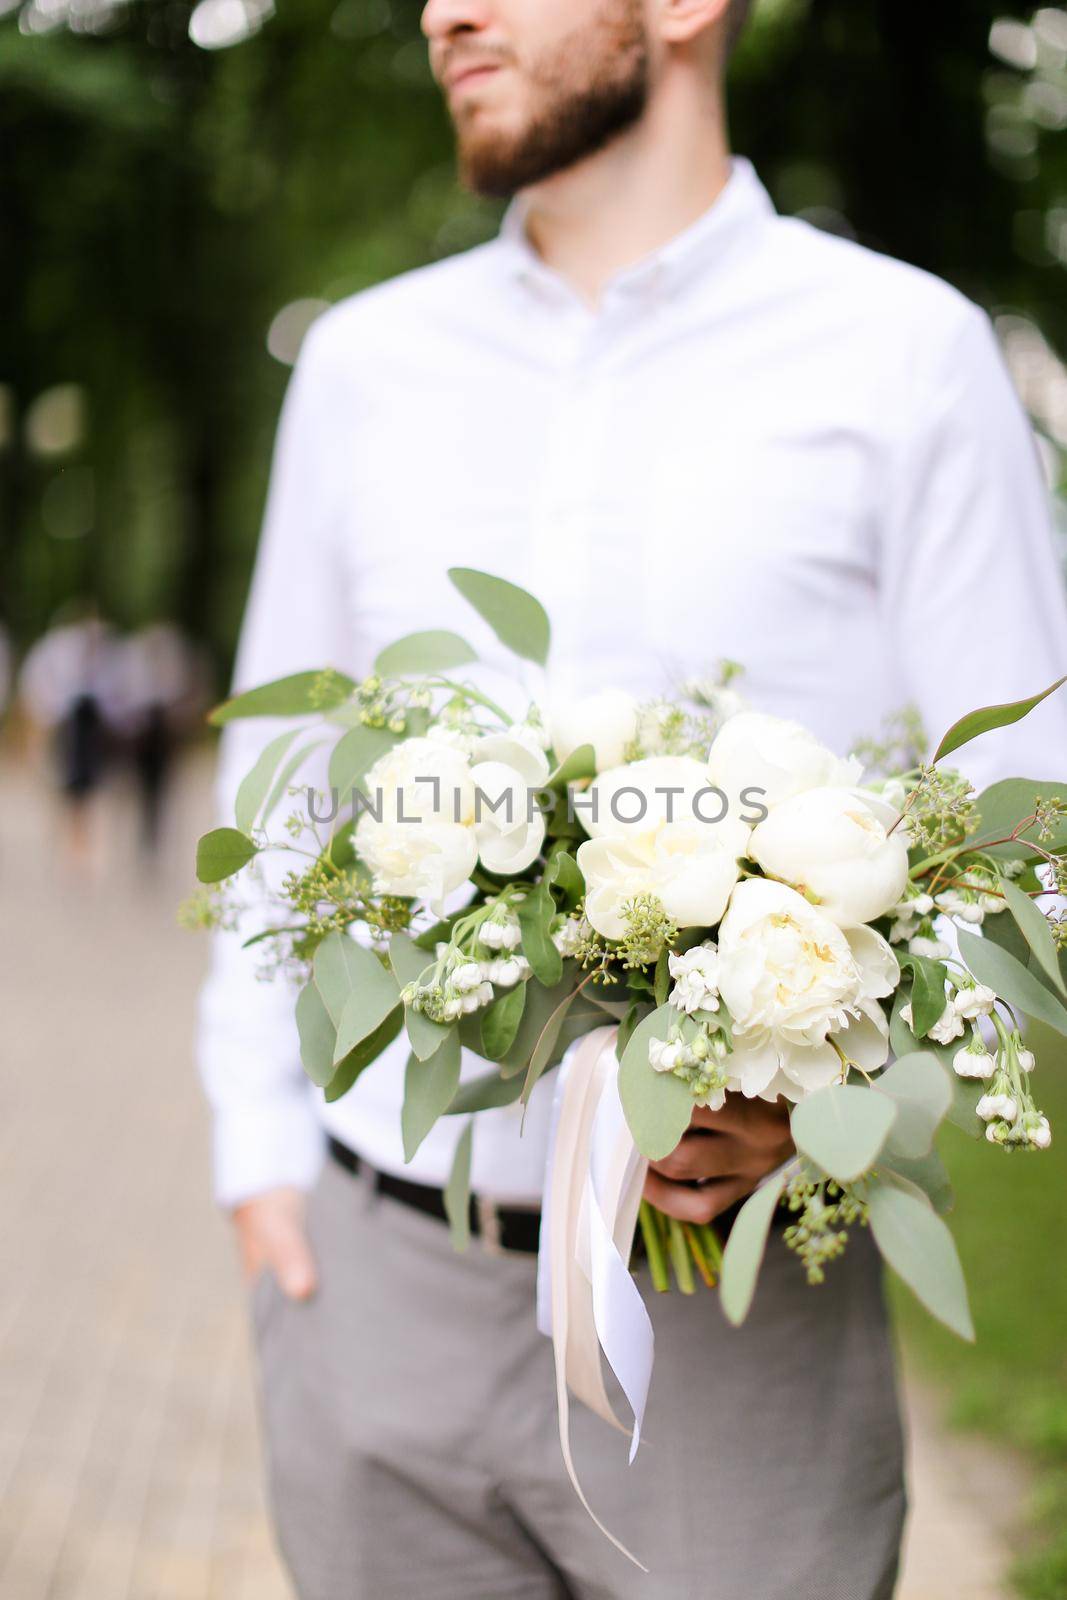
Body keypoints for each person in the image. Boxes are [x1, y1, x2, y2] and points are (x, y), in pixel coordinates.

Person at [197, 2, 1067, 1596]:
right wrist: (258, 1157)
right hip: (379, 1295)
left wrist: (827, 1104)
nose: (442, 9)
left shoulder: (905, 353)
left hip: (740, 1312)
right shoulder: (366, 364)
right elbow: (285, 788)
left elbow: (1035, 817)